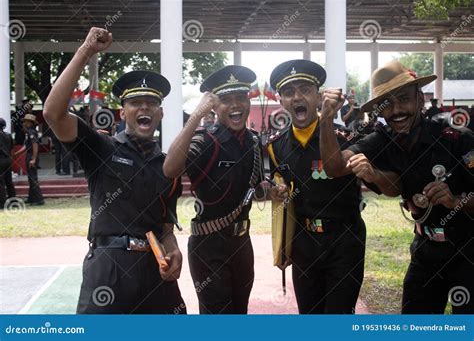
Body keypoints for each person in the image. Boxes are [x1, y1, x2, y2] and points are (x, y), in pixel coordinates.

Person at [43, 27, 186, 314]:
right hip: (108, 269)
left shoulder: (169, 165)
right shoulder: (100, 147)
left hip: (155, 270)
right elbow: (53, 113)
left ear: (161, 113)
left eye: (152, 103)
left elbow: (166, 227)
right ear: (123, 113)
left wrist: (174, 250)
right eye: (135, 102)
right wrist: (86, 50)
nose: (144, 107)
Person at [319, 60, 474, 314]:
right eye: (387, 103)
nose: (396, 110)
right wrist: (326, 118)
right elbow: (334, 167)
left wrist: (455, 200)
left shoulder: (456, 137)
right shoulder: (383, 139)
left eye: (404, 99)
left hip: (468, 252)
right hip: (425, 251)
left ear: (420, 99)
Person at [266, 59, 400, 314]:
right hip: (304, 242)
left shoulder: (347, 138)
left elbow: (391, 184)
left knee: (338, 317)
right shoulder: (275, 146)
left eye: (305, 89)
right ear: (281, 101)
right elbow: (280, 186)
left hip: (344, 241)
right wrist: (276, 192)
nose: (297, 97)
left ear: (318, 97)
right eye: (288, 92)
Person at [163, 65, 264, 314]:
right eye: (226, 100)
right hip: (209, 247)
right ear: (215, 107)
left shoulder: (253, 141)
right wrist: (196, 116)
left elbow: (256, 189)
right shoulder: (205, 140)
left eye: (240, 98)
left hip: (242, 244)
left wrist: (271, 191)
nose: (235, 105)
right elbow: (170, 168)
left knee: (240, 313)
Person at [13, 114, 44, 206]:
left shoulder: (32, 132)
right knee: (31, 178)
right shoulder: (29, 132)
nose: (24, 123)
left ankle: (39, 199)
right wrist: (17, 153)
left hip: (31, 156)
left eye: (25, 121)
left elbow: (35, 145)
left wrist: (34, 159)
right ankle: (31, 198)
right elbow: (27, 146)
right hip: (29, 155)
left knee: (33, 179)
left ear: (30, 122)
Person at [0, 118, 15, 206]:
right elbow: (12, 148)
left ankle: (2, 202)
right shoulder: (8, 135)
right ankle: (13, 200)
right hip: (8, 160)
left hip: (1, 160)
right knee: (9, 181)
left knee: (0, 182)